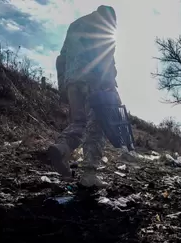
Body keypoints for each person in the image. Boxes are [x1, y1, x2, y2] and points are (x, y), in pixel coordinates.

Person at [48, 5, 136, 187]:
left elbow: (61, 58)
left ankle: (61, 148)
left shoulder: (75, 25)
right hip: (94, 82)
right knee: (97, 127)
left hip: (72, 81)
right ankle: (89, 174)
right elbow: (105, 58)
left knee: (78, 123)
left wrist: (63, 85)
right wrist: (108, 83)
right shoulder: (104, 26)